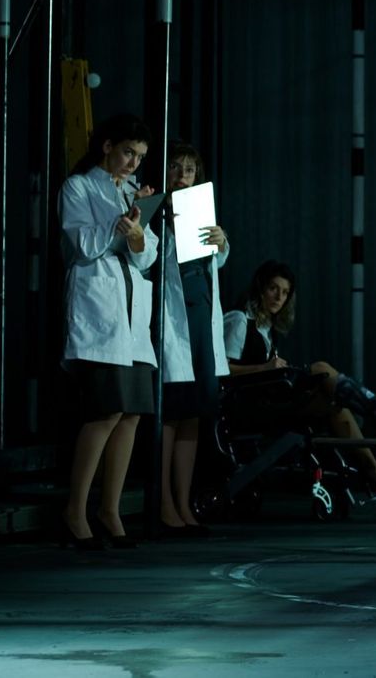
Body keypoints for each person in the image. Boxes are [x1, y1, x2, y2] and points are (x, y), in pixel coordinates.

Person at [222, 261, 376, 493]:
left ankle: (374, 472)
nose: (279, 297)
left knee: (335, 403)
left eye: (285, 292)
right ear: (260, 289)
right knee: (320, 369)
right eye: (273, 289)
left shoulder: (267, 327)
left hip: (270, 401)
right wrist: (266, 367)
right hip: (249, 408)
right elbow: (223, 372)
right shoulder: (237, 320)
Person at [58, 114, 160, 550]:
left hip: (132, 318)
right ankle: (75, 511)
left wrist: (138, 232)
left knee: (132, 413)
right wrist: (118, 225)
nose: (133, 163)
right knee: (105, 411)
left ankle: (111, 510)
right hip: (99, 312)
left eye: (139, 157)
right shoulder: (78, 187)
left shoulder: (130, 193)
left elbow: (147, 256)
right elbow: (80, 244)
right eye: (127, 152)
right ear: (107, 147)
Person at [151, 143, 230, 536]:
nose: (183, 176)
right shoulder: (152, 211)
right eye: (175, 168)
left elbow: (213, 263)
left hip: (199, 319)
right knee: (174, 411)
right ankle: (164, 500)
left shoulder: (198, 211)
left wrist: (221, 241)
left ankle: (184, 501)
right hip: (172, 322)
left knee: (196, 413)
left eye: (190, 170)